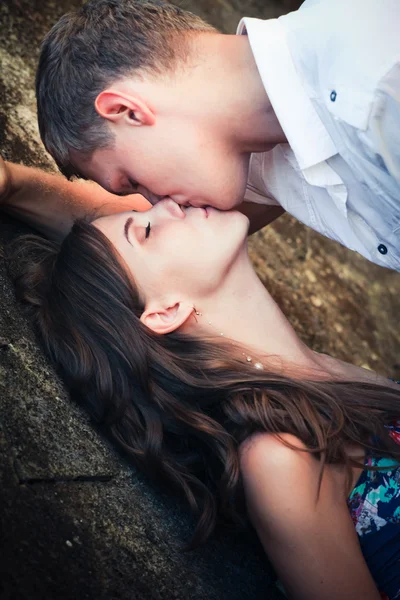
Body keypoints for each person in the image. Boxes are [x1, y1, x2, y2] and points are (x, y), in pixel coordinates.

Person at [8, 198, 400, 600]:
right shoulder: (282, 458)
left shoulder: (325, 373)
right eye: (145, 231)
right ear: (165, 312)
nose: (169, 207)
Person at [25, 0, 399, 271]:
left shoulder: (378, 88)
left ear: (129, 112)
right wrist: (12, 185)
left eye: (133, 181)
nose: (159, 205)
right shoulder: (254, 146)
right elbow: (132, 238)